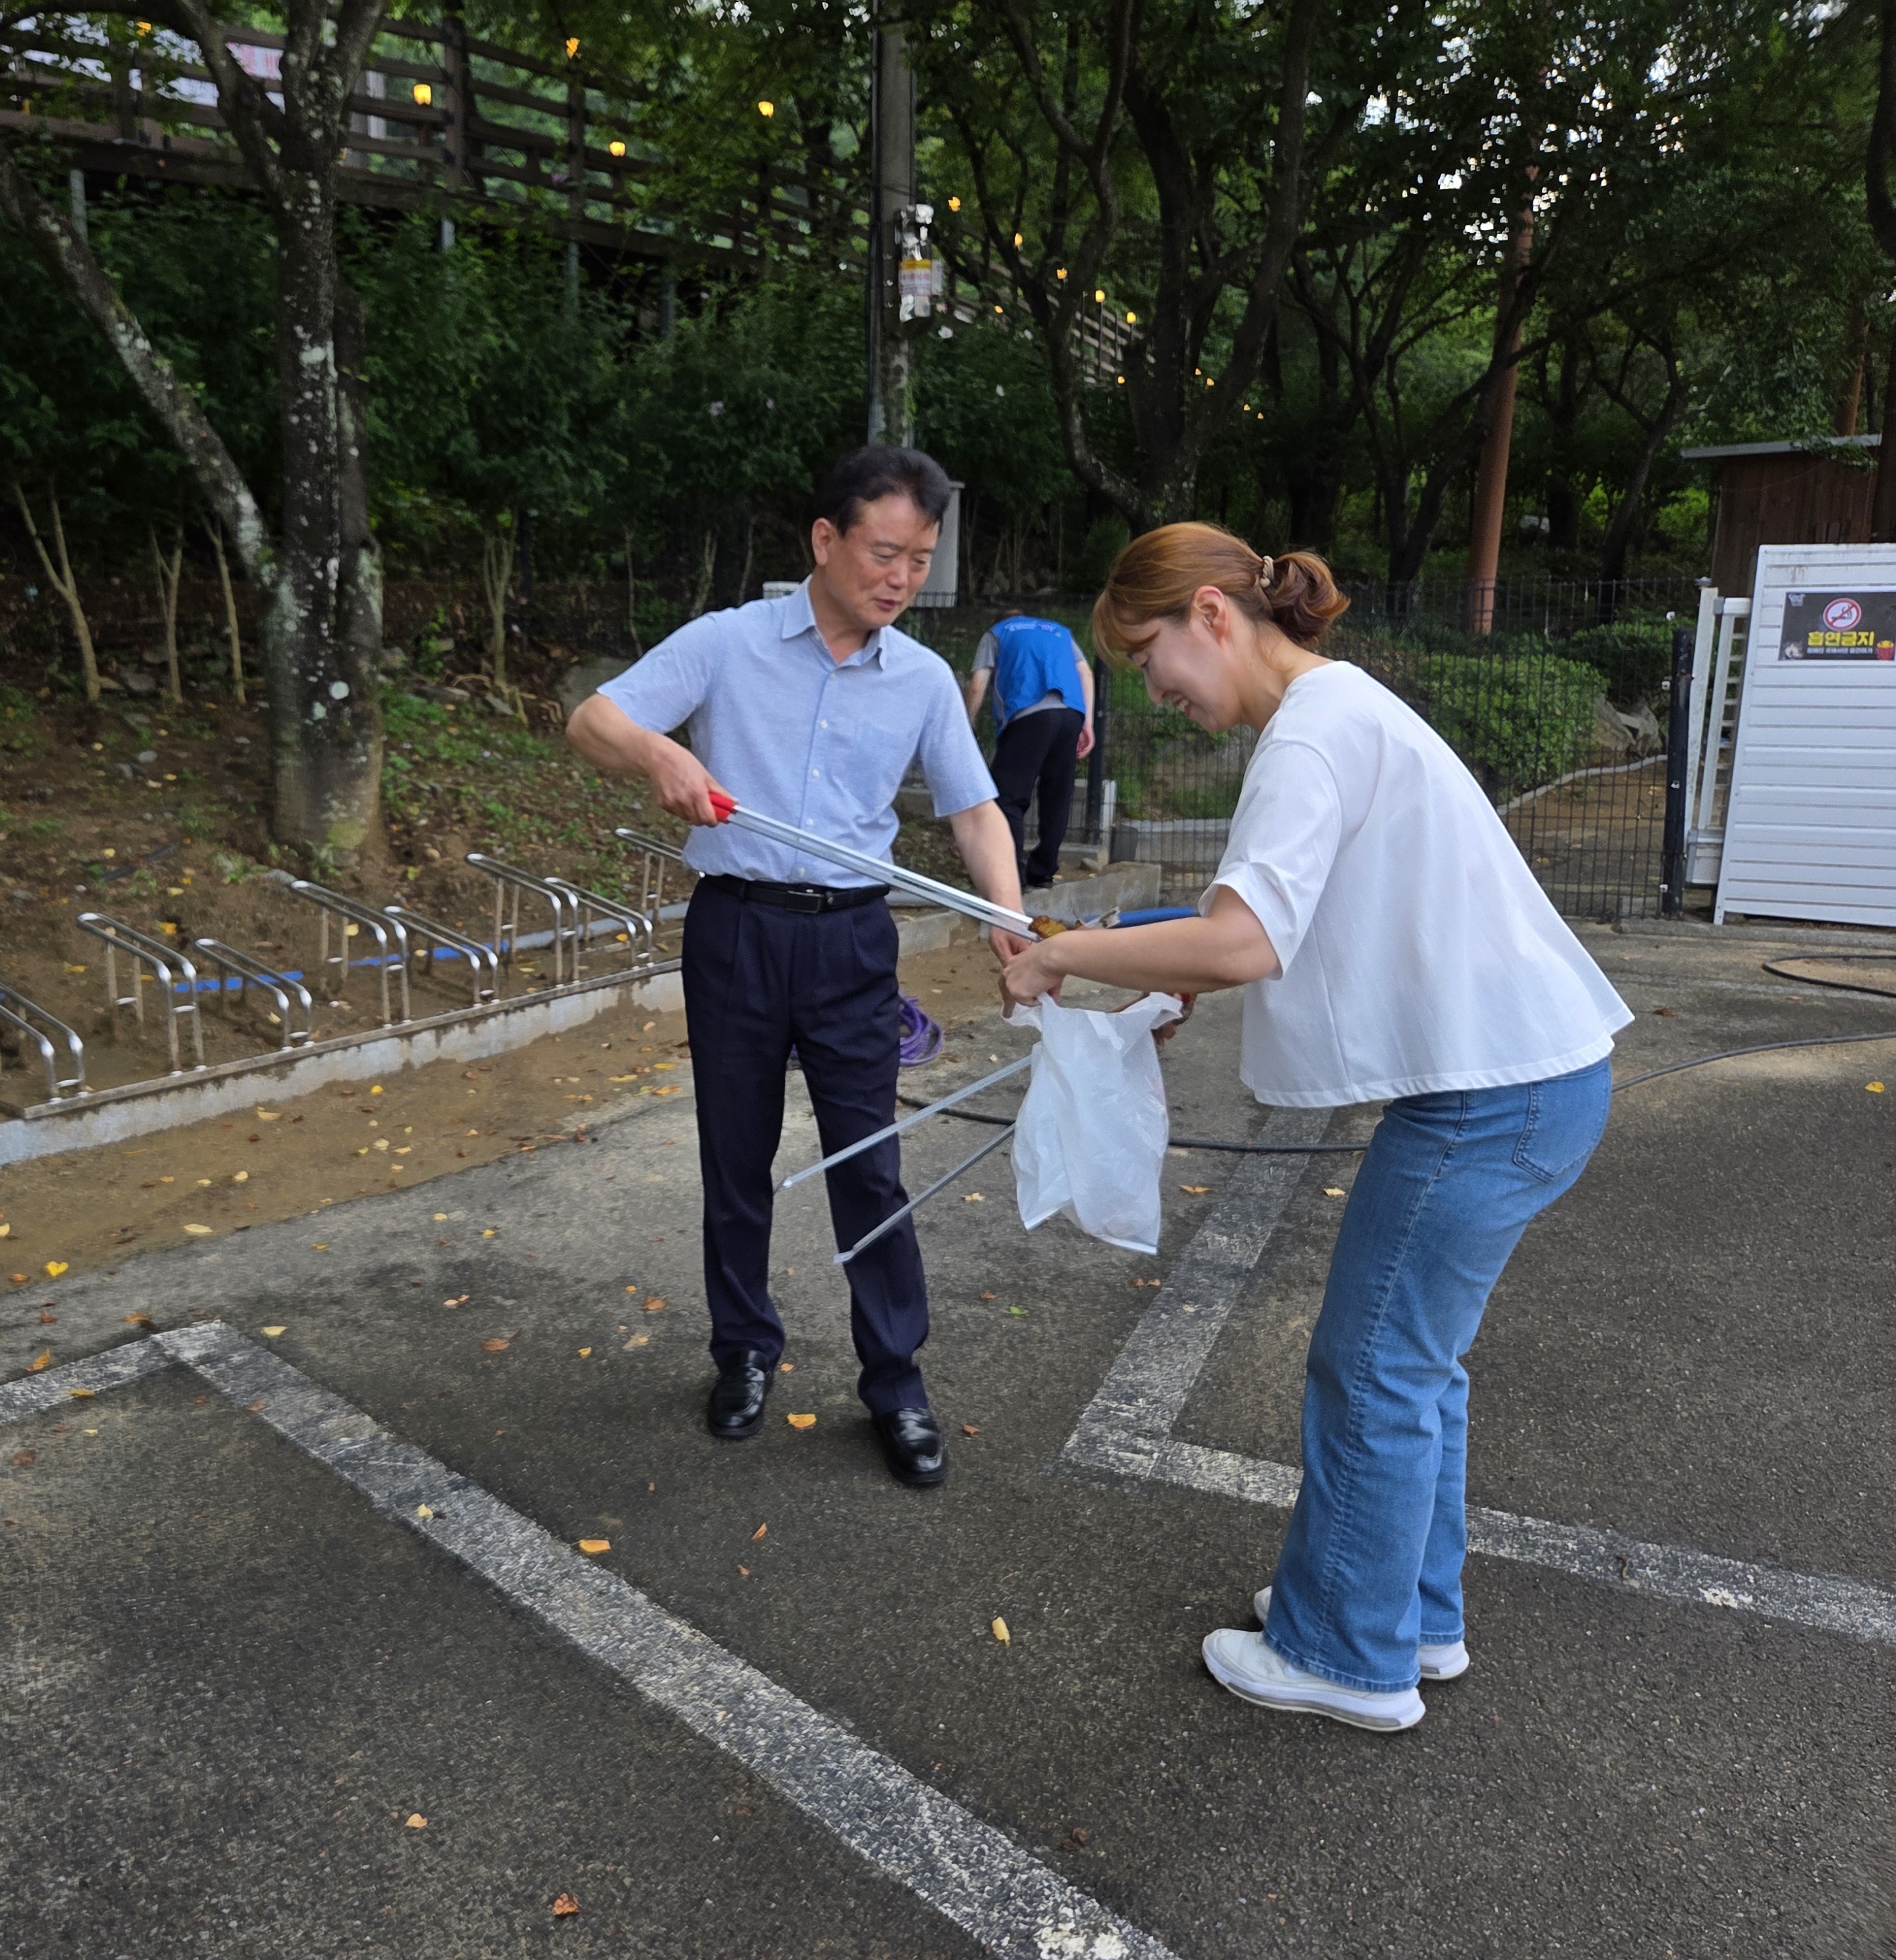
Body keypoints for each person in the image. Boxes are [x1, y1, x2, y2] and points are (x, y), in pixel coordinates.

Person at [996, 523, 1630, 1730]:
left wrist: (1067, 951)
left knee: (1377, 1363)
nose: (1157, 692)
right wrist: (1167, 965)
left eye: (1149, 659)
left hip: (1490, 1099)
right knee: (1416, 1366)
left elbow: (1248, 940)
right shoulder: (1337, 714)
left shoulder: (1311, 735)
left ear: (1212, 617)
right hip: (1533, 1082)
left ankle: (1346, 1653)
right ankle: (1410, 1616)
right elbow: (1262, 916)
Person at [566, 446, 1030, 1488]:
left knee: (871, 1160)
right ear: (825, 541)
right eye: (884, 552)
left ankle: (896, 1384)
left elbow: (974, 807)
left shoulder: (917, 677)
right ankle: (742, 1350)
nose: (901, 578)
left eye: (919, 559)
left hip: (853, 942)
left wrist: (1007, 911)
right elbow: (596, 717)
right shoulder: (727, 644)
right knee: (737, 1157)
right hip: (735, 927)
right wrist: (662, 756)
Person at [964, 609, 1096, 890]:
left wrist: (967, 725)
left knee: (1007, 799)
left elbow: (978, 685)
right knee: (1057, 796)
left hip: (1029, 714)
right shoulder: (1061, 631)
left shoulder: (997, 633)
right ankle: (1044, 871)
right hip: (1071, 714)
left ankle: (1013, 875)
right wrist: (1087, 722)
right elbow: (1086, 673)